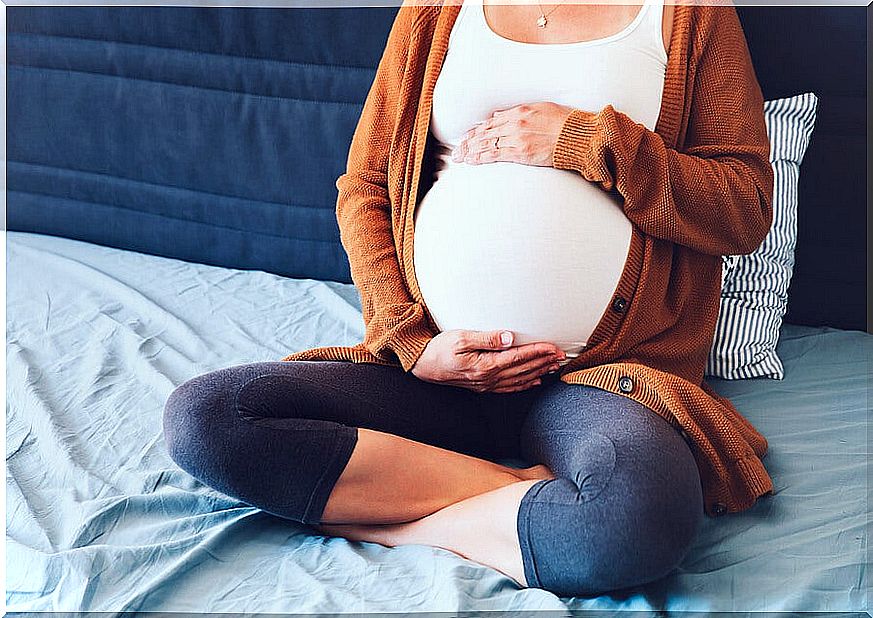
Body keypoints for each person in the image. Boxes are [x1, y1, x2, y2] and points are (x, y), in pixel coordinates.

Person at [163, 0, 775, 598]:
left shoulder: (693, 11)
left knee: (636, 519)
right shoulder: (437, 7)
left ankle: (388, 516)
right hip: (437, 377)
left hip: (595, 384)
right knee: (206, 420)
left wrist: (590, 142)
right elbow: (367, 188)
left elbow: (743, 209)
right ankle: (514, 487)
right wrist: (412, 343)